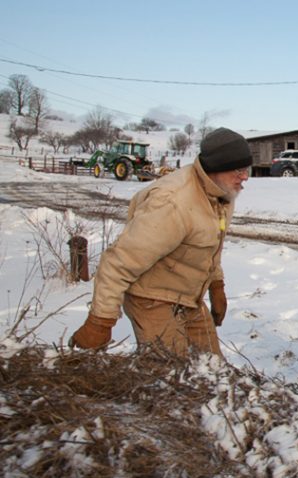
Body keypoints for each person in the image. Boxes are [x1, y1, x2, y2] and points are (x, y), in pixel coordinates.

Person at [69, 127, 253, 356]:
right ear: (215, 167)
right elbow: (118, 263)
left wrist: (217, 285)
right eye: (237, 170)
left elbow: (210, 246)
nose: (245, 176)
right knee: (172, 376)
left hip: (189, 297)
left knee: (212, 370)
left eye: (246, 169)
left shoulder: (222, 194)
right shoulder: (172, 203)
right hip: (151, 298)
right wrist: (100, 321)